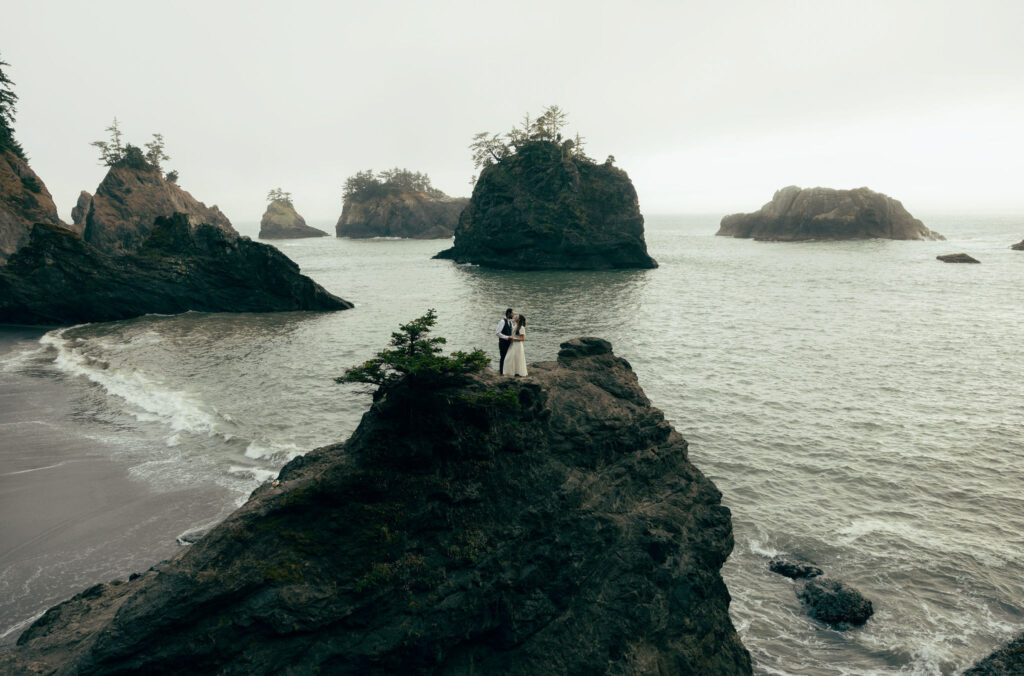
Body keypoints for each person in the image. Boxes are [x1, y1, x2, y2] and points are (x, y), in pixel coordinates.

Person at [495, 308, 514, 375]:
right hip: (503, 343)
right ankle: (501, 373)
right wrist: (507, 337)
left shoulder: (511, 323)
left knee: (508, 358)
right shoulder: (502, 321)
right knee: (503, 357)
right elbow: (497, 333)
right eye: (512, 313)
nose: (513, 315)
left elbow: (512, 332)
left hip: (509, 343)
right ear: (509, 313)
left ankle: (506, 371)